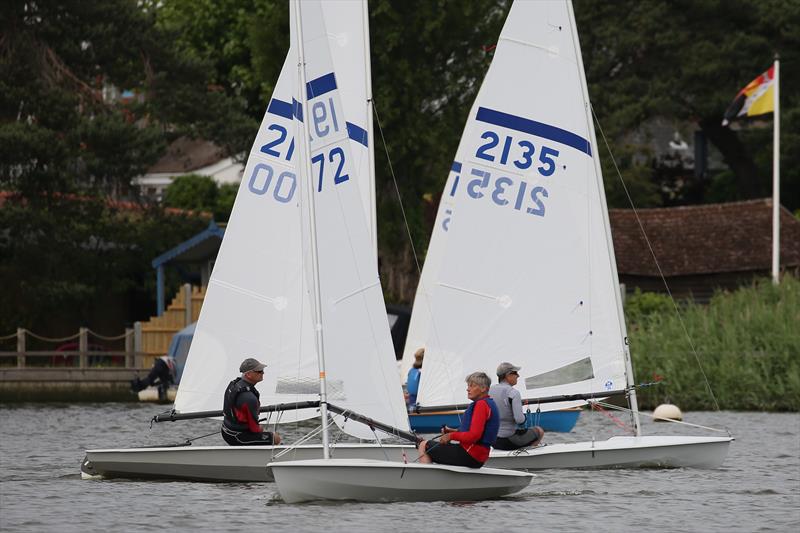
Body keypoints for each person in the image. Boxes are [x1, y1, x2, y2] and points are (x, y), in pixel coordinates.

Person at [417, 371, 499, 468]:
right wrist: (452, 431)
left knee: (423, 445)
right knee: (433, 446)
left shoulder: (481, 405)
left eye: (472, 386)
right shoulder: (488, 403)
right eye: (468, 386)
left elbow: (474, 436)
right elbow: (476, 431)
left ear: (483, 388)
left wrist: (450, 436)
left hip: (470, 455)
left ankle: (428, 480)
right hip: (478, 456)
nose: (468, 389)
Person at [220, 357, 282, 446]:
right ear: (248, 374)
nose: (263, 373)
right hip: (238, 437)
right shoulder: (249, 398)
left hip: (226, 430)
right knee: (276, 438)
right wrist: (260, 429)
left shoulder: (234, 384)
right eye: (259, 371)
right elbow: (255, 429)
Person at [489, 362, 544, 450]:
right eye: (515, 373)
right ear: (508, 375)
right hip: (508, 440)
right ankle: (529, 456)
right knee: (539, 431)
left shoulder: (489, 391)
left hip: (493, 440)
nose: (518, 376)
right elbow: (520, 420)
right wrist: (524, 416)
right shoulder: (513, 393)